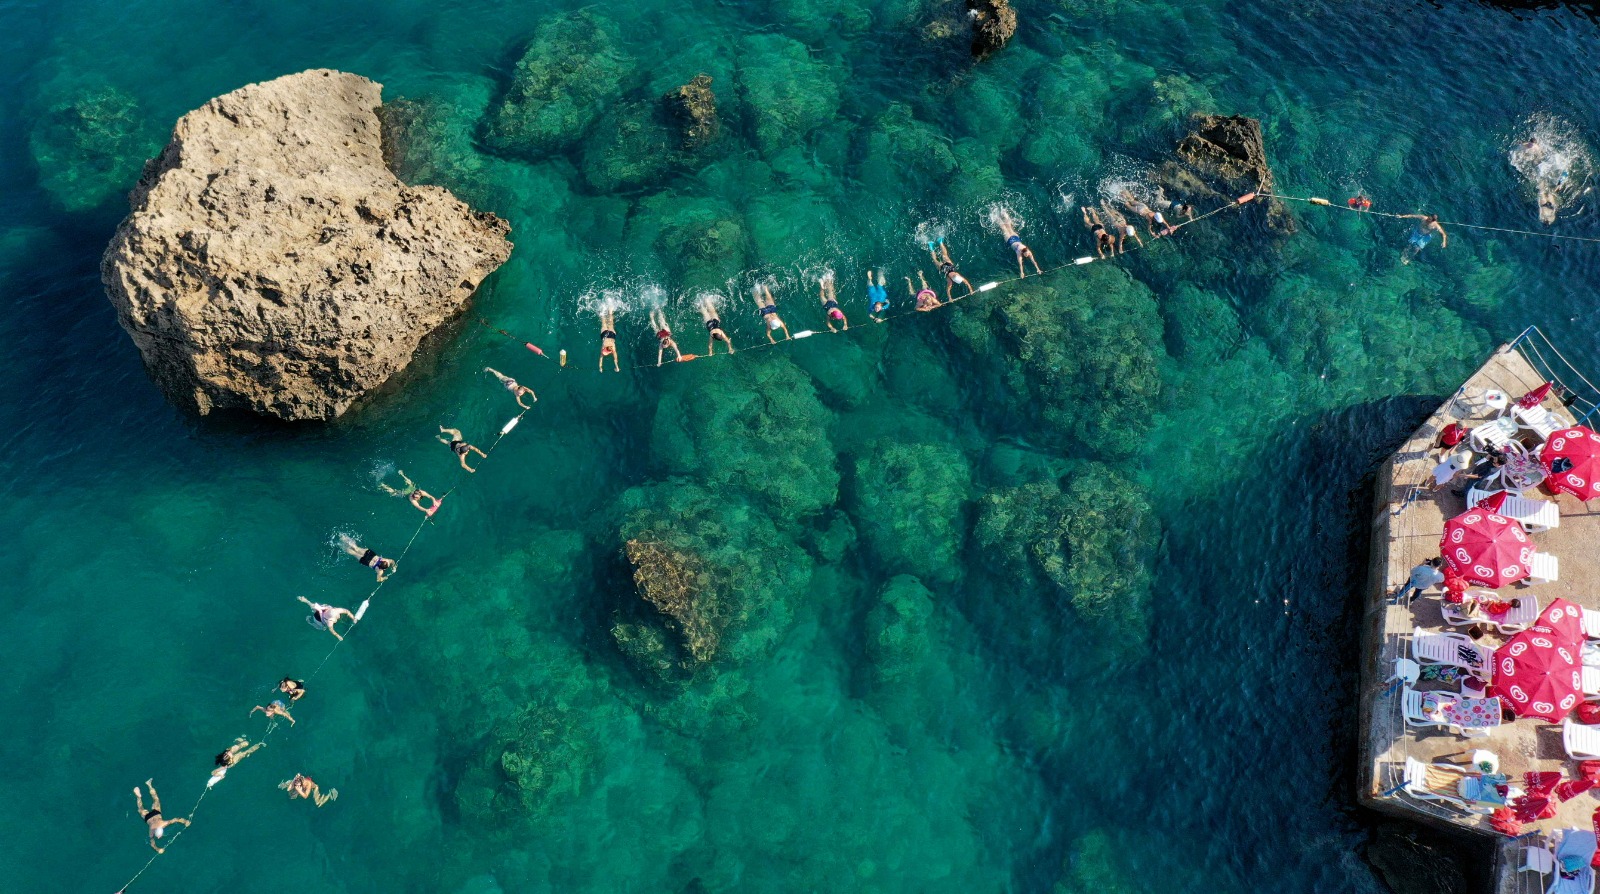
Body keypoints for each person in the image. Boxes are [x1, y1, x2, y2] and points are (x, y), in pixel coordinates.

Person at [133, 780, 189, 853]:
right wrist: (185, 822)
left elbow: (176, 819)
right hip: (148, 817)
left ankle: (145, 789)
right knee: (141, 808)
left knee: (155, 799)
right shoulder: (152, 831)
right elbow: (152, 843)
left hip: (155, 814)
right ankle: (141, 793)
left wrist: (185, 822)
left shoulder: (162, 825)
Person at [994, 208, 1043, 277]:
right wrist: (1022, 272)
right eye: (1026, 255)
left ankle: (1004, 213)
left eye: (1027, 255)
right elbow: (1020, 264)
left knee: (1009, 227)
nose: (1027, 256)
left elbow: (1033, 261)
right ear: (1022, 252)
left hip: (1016, 238)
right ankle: (996, 216)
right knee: (1004, 228)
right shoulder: (1018, 253)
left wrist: (1038, 269)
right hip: (1010, 240)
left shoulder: (1028, 252)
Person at [597, 307, 620, 372]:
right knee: (604, 324)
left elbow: (615, 359)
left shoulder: (612, 349)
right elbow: (601, 359)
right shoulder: (605, 348)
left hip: (612, 336)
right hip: (604, 335)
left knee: (611, 324)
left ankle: (610, 311)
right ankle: (602, 311)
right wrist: (600, 368)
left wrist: (617, 367)